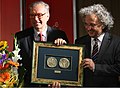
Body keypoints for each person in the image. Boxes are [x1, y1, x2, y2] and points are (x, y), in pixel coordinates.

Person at [15, 1, 69, 87]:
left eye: (40, 15)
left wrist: (64, 47)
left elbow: (66, 63)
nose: (36, 19)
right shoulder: (20, 37)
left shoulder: (60, 35)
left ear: (48, 16)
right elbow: (17, 64)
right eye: (32, 15)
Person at [75, 4, 120, 87]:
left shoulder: (117, 42)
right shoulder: (80, 42)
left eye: (92, 25)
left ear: (103, 24)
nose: (88, 28)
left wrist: (95, 67)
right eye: (86, 24)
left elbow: (118, 68)